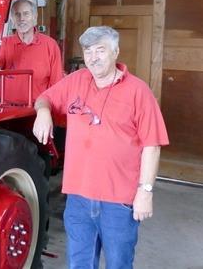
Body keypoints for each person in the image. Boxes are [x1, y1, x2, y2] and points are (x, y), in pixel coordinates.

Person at [32, 26, 169, 268]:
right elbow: (46, 98)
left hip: (119, 201)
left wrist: (145, 192)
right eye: (88, 51)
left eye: (100, 50)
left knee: (118, 263)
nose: (93, 57)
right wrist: (43, 111)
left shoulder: (139, 91)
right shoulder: (76, 80)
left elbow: (152, 145)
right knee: (79, 263)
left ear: (115, 52)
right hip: (78, 199)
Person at [0, 0, 63, 104]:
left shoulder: (50, 45)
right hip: (6, 109)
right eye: (17, 15)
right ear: (13, 19)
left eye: (26, 14)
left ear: (35, 17)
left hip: (36, 110)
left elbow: (56, 84)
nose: (21, 18)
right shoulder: (3, 43)